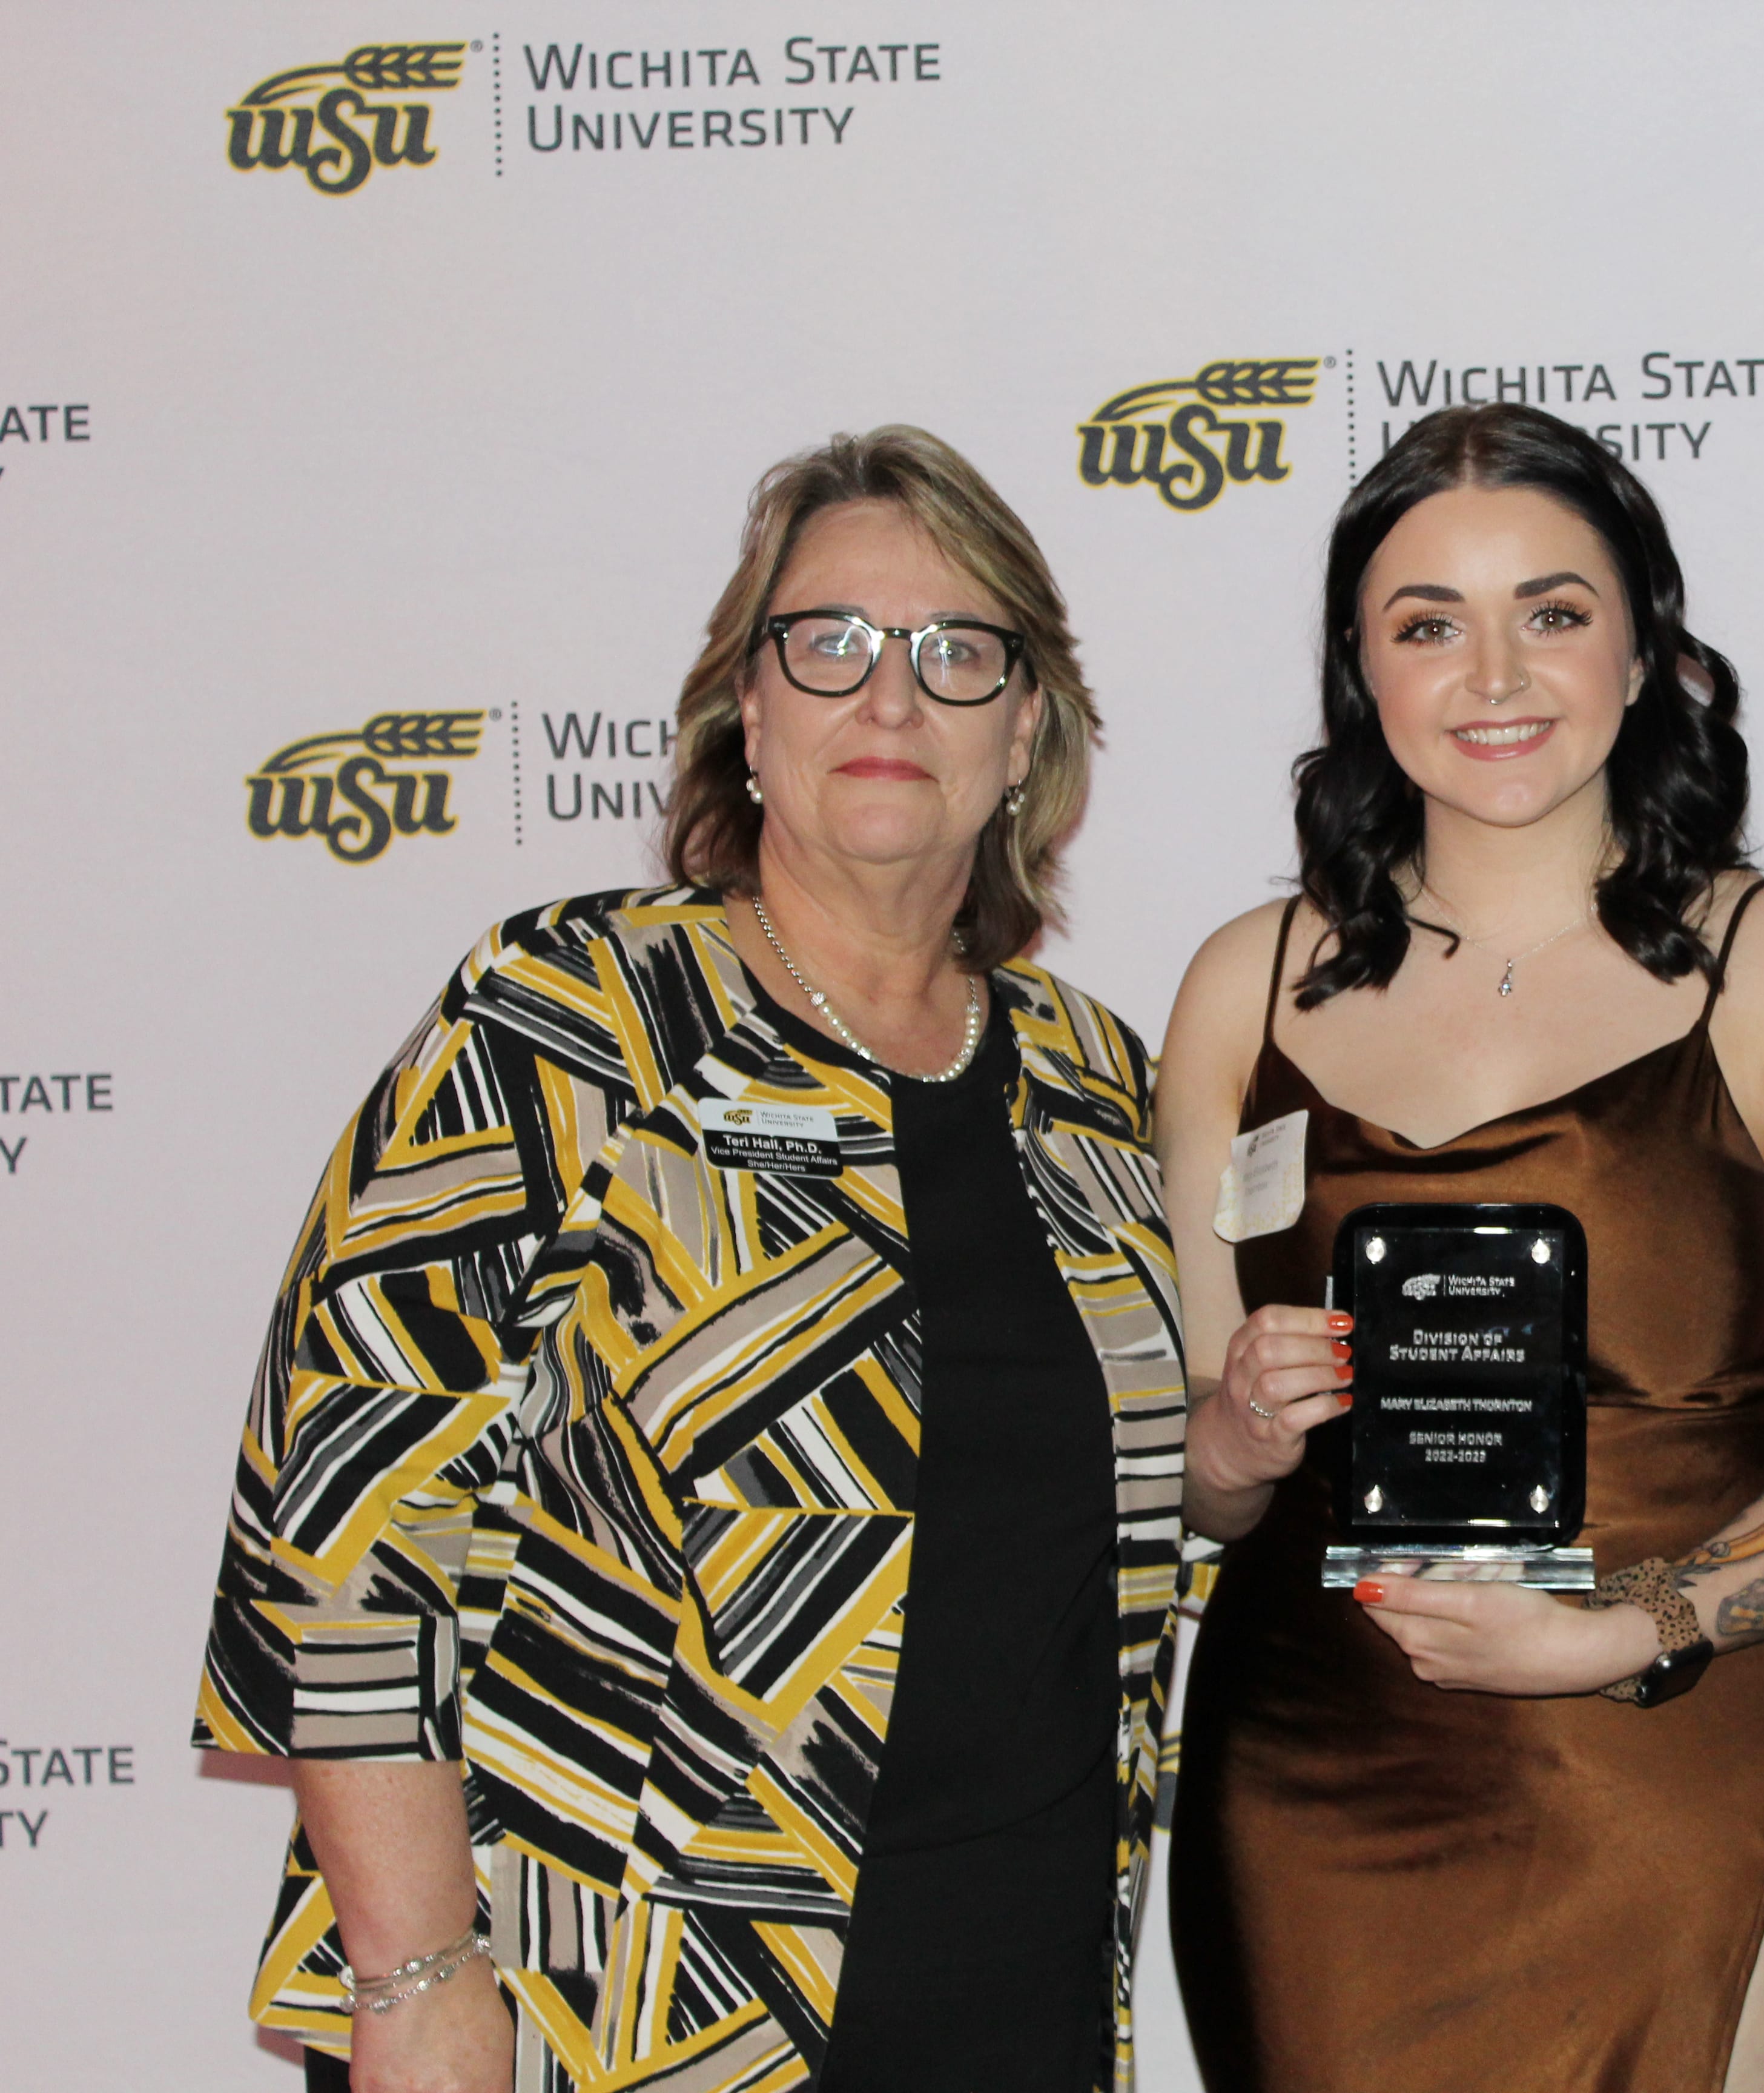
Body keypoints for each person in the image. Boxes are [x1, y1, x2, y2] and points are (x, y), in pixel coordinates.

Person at [194, 426, 1185, 2093]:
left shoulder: (1098, 1084)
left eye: (957, 655)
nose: (890, 700)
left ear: (1028, 732)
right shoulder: (569, 1013)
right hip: (614, 1996)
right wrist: (417, 1980)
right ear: (749, 706)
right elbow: (349, 1515)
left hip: (1013, 1981)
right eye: (830, 644)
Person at [1157, 402, 1764, 2093]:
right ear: (1358, 672)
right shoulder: (1247, 986)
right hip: (1318, 1787)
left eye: (1555, 611)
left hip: (1679, 1746)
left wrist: (1631, 1625)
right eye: (1429, 624)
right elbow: (1200, 1490)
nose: (1497, 674)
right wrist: (1231, 1436)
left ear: (1646, 645)